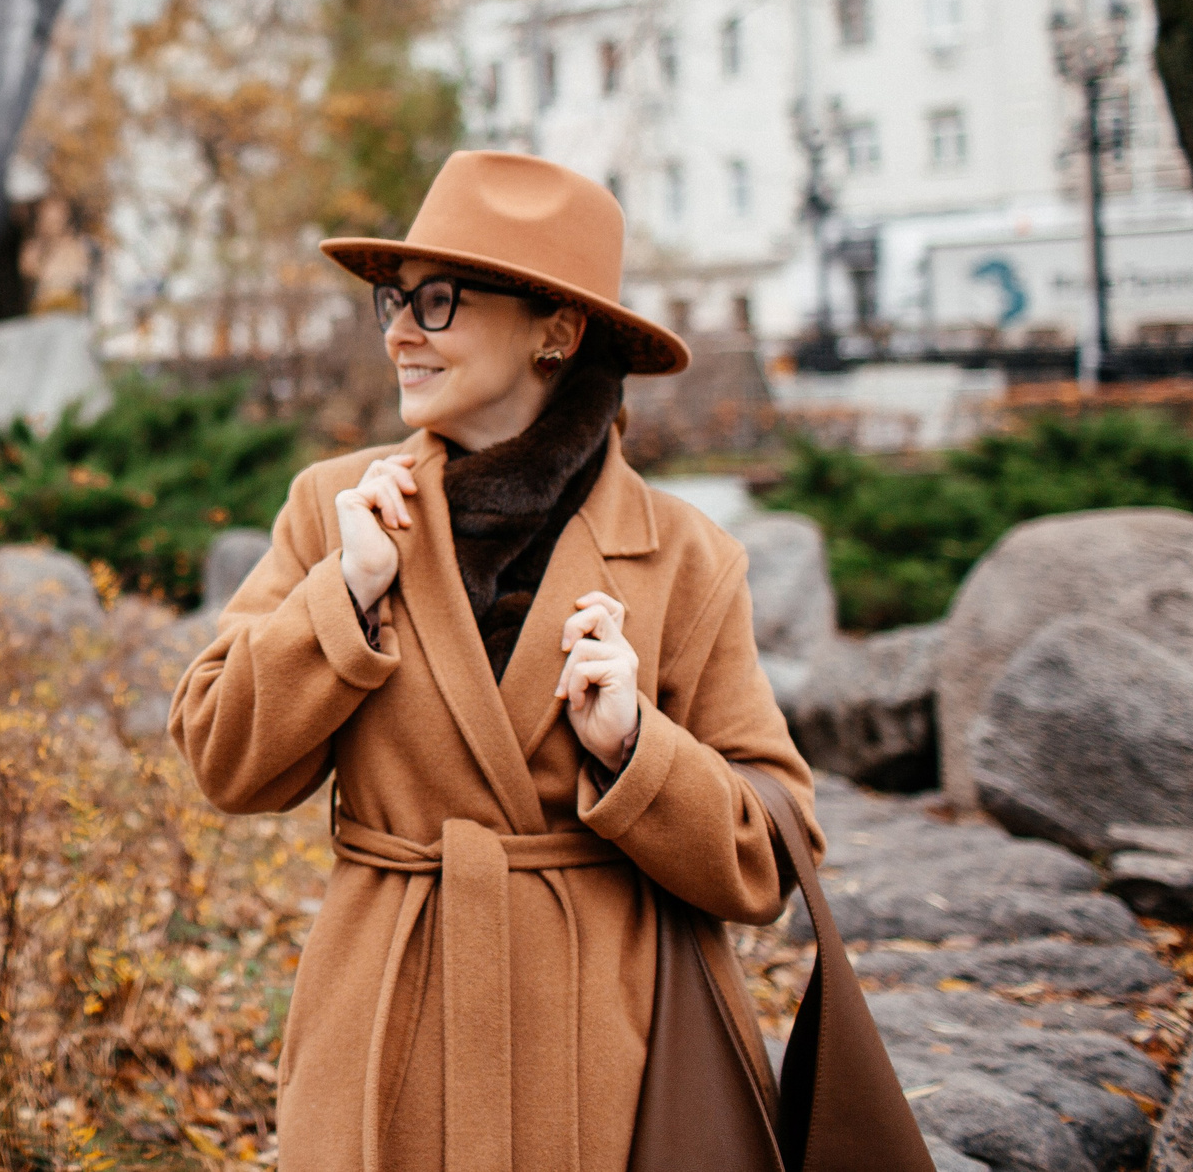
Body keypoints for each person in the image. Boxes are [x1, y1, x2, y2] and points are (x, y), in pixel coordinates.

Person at [168, 150, 822, 1172]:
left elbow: (769, 859)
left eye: (439, 300)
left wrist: (635, 748)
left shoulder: (686, 557)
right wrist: (341, 597)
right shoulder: (333, 510)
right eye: (394, 298)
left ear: (554, 330)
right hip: (382, 1037)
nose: (397, 330)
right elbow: (223, 762)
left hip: (607, 1061)